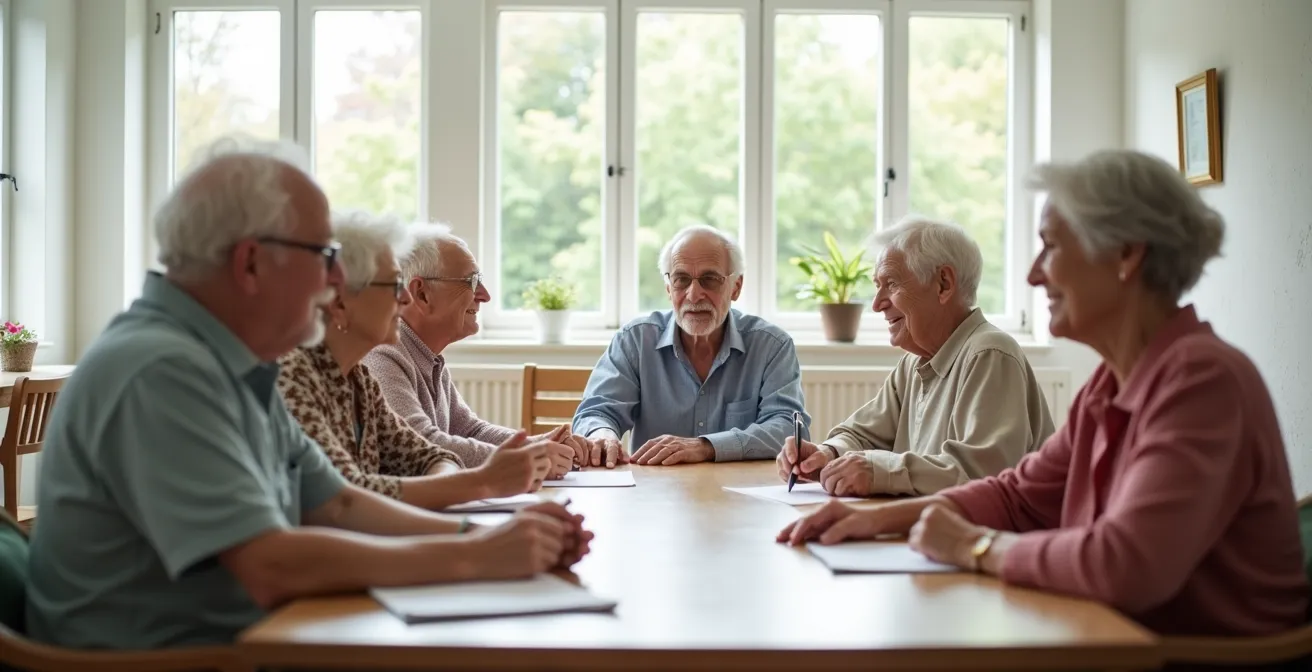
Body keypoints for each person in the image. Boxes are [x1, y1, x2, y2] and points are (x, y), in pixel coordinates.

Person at [24, 137, 592, 650]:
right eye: (322, 257)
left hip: (251, 639)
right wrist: (475, 555)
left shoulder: (232, 360)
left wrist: (495, 534)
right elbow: (270, 563)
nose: (333, 283)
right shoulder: (162, 369)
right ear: (251, 263)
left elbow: (336, 502)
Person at [779, 150, 1309, 636]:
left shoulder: (1202, 380)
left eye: (1051, 247)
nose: (1033, 275)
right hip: (1120, 639)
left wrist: (975, 546)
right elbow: (1014, 494)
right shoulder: (1112, 382)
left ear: (1126, 254)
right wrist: (871, 520)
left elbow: (1124, 567)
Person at [277, 211, 571, 512]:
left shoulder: (359, 378)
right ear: (339, 302)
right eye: (393, 285)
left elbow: (429, 455)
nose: (404, 299)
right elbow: (347, 499)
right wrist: (484, 485)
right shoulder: (296, 375)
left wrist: (504, 468)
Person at [777, 217, 1054, 496]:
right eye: (877, 285)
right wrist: (827, 454)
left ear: (944, 284)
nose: (877, 304)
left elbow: (983, 475)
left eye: (892, 284)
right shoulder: (914, 361)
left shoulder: (990, 353)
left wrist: (878, 471)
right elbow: (862, 434)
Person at [571, 224, 810, 468]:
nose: (694, 295)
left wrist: (706, 447)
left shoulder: (771, 346)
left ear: (736, 287)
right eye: (681, 280)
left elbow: (787, 430)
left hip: (741, 494)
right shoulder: (635, 340)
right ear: (668, 288)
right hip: (653, 495)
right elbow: (596, 412)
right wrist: (602, 435)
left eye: (710, 279)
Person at [364, 224, 584, 469]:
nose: (485, 295)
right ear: (422, 294)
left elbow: (470, 430)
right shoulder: (384, 354)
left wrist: (540, 444)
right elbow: (422, 444)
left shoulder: (426, 354)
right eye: (471, 281)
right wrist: (527, 459)